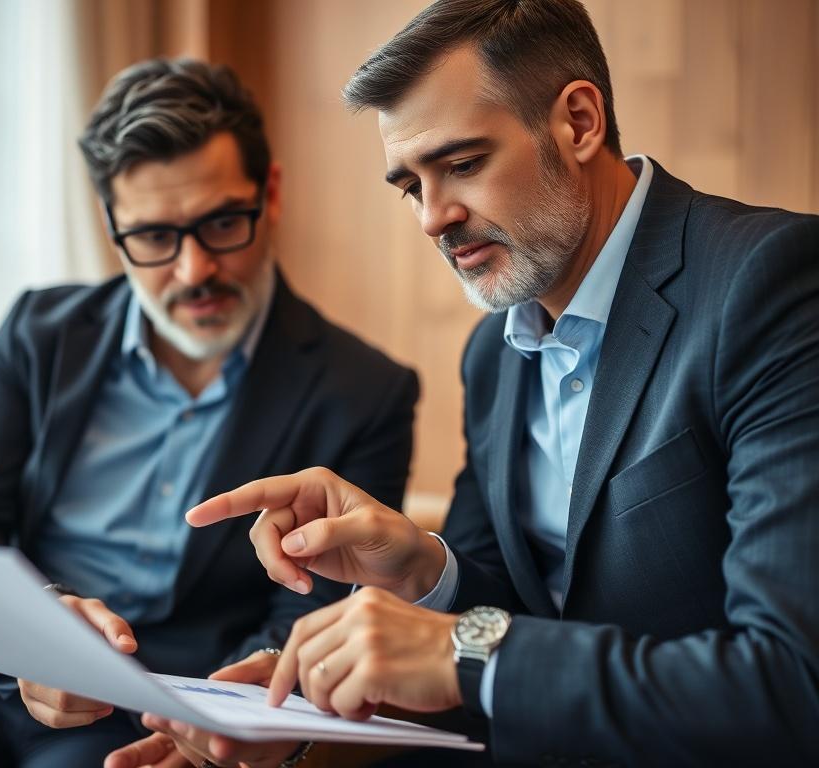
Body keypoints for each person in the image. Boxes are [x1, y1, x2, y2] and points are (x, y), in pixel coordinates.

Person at [120, 2, 819, 766]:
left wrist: (463, 648)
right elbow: (508, 623)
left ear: (579, 122)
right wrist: (419, 572)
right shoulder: (494, 354)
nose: (430, 218)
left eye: (460, 164)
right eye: (409, 185)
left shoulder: (772, 284)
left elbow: (791, 684)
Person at [0, 59, 419, 768]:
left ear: (269, 195)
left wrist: (230, 719)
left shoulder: (366, 390)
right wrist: (32, 631)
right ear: (110, 224)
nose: (193, 271)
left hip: (167, 711)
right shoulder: (39, 333)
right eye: (153, 237)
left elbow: (311, 614)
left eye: (221, 223)